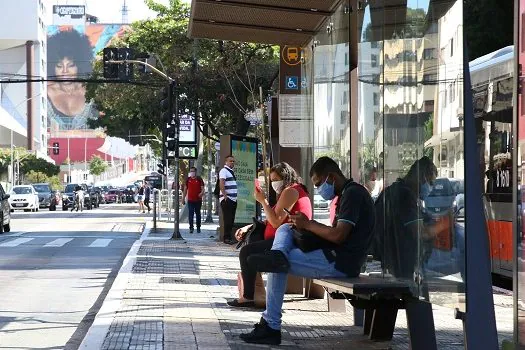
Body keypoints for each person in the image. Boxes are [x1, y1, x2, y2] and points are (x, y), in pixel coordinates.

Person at [240, 157, 375, 345]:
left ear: (332, 177)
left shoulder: (353, 194)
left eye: (319, 184)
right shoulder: (347, 193)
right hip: (333, 256)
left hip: (341, 262)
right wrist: (304, 225)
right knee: (286, 230)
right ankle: (277, 254)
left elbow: (338, 236)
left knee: (277, 265)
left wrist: (309, 224)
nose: (319, 189)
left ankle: (271, 326)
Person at [227, 162, 312, 308]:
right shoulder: (287, 192)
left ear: (286, 177)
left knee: (247, 252)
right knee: (250, 247)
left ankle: (248, 296)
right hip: (280, 238)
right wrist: (248, 226)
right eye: (271, 180)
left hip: (288, 240)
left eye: (276, 180)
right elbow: (270, 219)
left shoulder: (291, 191)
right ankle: (251, 294)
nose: (274, 184)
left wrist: (263, 201)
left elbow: (275, 222)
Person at [372, 156, 438, 285]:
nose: (430, 187)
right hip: (399, 266)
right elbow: (420, 233)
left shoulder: (394, 191)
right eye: (430, 182)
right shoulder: (405, 196)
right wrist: (445, 223)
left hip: (390, 263)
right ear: (422, 176)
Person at [47, 29, 97, 130]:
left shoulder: (93, 91)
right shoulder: (43, 94)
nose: (65, 71)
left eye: (71, 65)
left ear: (80, 65)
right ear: (52, 67)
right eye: (59, 66)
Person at [219, 155, 237, 244]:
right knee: (228, 219)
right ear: (226, 162)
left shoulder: (231, 172)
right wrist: (225, 196)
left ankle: (229, 237)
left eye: (233, 161)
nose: (232, 163)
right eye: (230, 161)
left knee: (231, 219)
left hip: (233, 199)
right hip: (228, 199)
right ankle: (226, 238)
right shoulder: (224, 171)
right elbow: (221, 183)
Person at [183, 167, 205, 233]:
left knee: (198, 214)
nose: (192, 172)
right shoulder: (188, 179)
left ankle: (198, 227)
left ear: (195, 172)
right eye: (191, 171)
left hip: (198, 200)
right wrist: (183, 198)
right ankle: (191, 228)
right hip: (190, 200)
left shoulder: (199, 179)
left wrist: (201, 193)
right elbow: (185, 189)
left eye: (193, 171)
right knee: (191, 214)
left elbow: (203, 188)